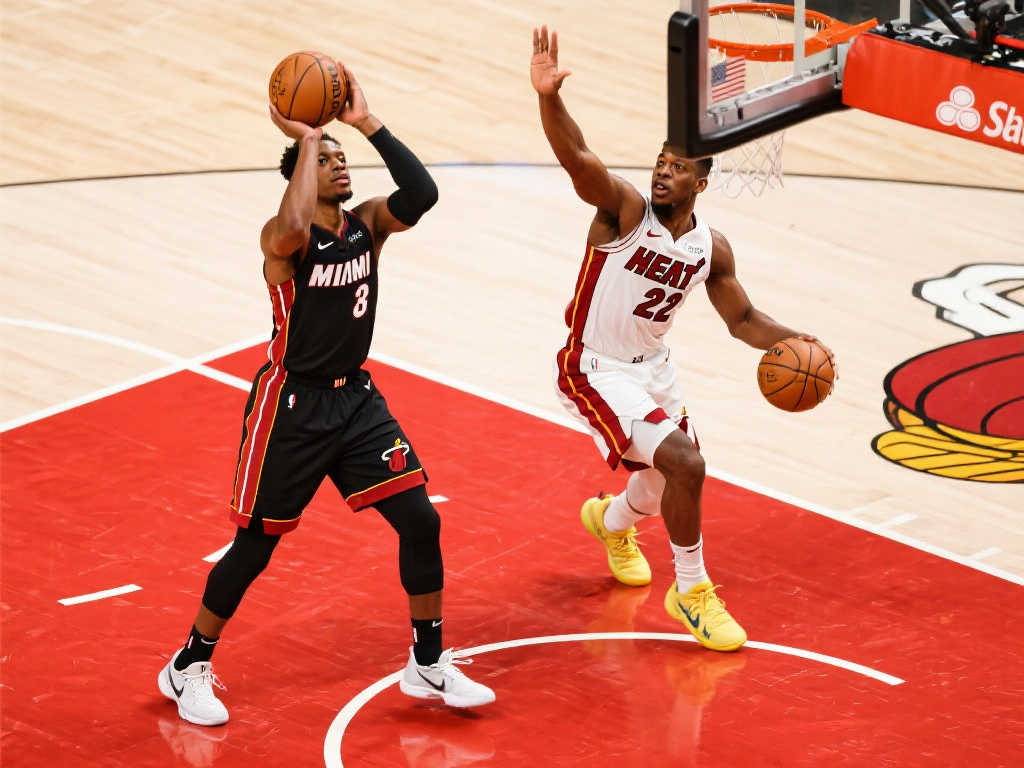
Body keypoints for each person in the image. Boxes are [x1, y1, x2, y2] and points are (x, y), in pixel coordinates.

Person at [158, 64, 495, 726]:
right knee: (255, 548)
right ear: (302, 175)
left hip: (357, 403)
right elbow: (288, 228)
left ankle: (427, 663)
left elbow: (422, 193)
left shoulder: (367, 223)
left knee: (421, 520)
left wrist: (364, 121)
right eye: (328, 159)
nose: (343, 166)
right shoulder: (283, 239)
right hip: (291, 407)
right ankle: (187, 665)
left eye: (343, 158)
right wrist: (308, 139)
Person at [531, 27, 832, 652]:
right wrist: (549, 98)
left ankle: (610, 521)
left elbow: (743, 320)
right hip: (595, 365)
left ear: (701, 181)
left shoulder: (708, 247)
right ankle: (691, 591)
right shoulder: (624, 212)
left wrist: (800, 340)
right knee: (687, 464)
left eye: (679, 167)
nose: (664, 172)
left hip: (653, 369)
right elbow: (578, 159)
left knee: (662, 483)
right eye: (661, 163)